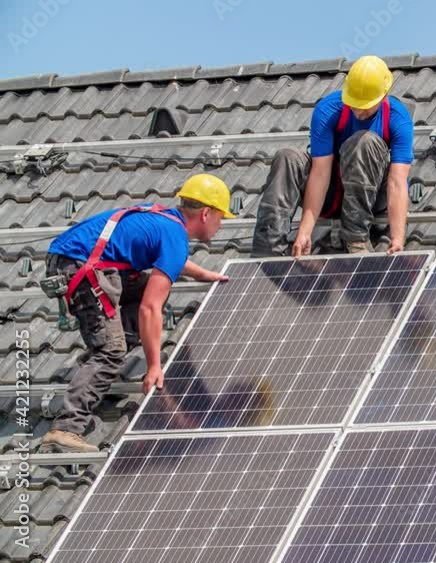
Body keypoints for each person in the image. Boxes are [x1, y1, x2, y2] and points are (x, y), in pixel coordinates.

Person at [39, 174, 234, 453]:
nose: (221, 224)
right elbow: (151, 308)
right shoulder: (175, 236)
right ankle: (66, 428)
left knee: (141, 291)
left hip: (74, 258)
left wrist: (203, 274)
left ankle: (99, 373)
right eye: (220, 217)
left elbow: (171, 260)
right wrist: (154, 365)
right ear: (205, 213)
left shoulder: (166, 221)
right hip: (79, 267)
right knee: (112, 349)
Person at [251, 55, 414, 258]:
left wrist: (398, 238)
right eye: (354, 103)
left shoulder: (398, 118)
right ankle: (267, 250)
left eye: (365, 106)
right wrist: (305, 231)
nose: (358, 111)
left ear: (384, 95)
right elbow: (320, 173)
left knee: (364, 141)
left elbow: (397, 182)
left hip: (371, 197)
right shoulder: (328, 110)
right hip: (332, 193)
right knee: (288, 158)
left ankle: (355, 239)